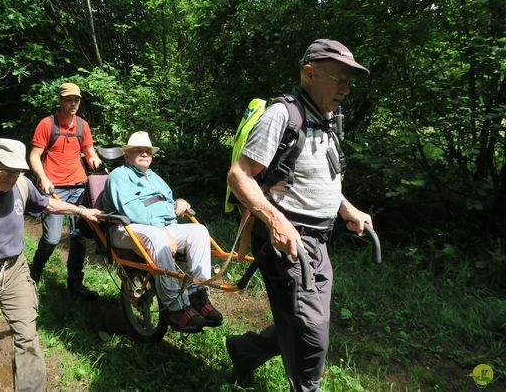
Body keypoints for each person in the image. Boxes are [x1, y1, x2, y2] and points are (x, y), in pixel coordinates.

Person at [226, 39, 373, 391]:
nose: (347, 89)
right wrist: (276, 222)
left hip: (318, 241)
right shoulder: (282, 115)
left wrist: (348, 208)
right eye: (339, 79)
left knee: (305, 322)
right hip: (287, 240)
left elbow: (321, 177)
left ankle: (245, 351)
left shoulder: (330, 117)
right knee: (312, 337)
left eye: (350, 81)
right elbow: (238, 176)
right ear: (309, 73)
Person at [0, 138, 102, 391]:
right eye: (6, 171)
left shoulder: (22, 184)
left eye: (17, 171)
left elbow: (48, 204)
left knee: (27, 336)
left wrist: (80, 211)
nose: (12, 178)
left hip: (15, 271)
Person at [101, 131, 223, 333]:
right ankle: (175, 307)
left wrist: (178, 203)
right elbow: (133, 211)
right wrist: (163, 231)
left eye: (147, 151)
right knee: (158, 238)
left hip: (160, 227)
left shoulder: (155, 178)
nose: (144, 154)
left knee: (199, 232)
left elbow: (168, 201)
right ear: (127, 155)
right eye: (137, 150)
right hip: (125, 228)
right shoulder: (119, 176)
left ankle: (198, 295)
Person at [29, 82, 102, 300]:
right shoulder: (47, 124)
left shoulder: (82, 126)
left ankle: (75, 284)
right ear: (60, 100)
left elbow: (89, 154)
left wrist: (98, 164)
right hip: (54, 190)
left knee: (78, 237)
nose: (73, 104)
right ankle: (35, 272)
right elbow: (34, 156)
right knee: (51, 239)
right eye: (69, 99)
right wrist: (43, 178)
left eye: (76, 100)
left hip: (79, 187)